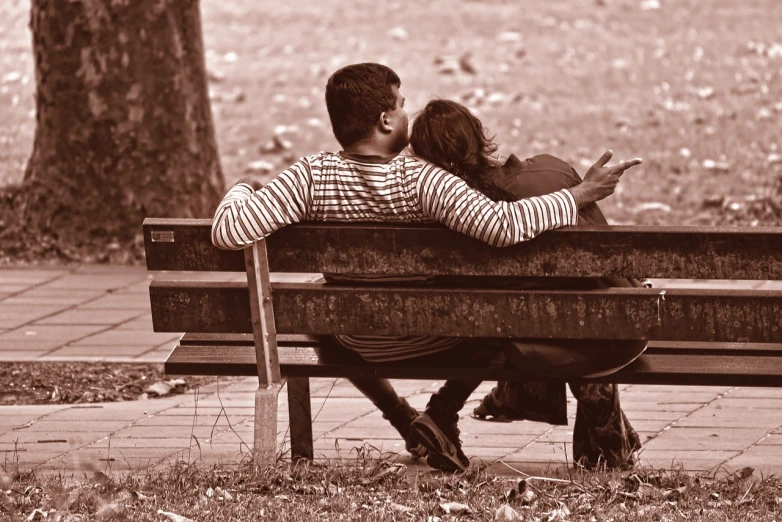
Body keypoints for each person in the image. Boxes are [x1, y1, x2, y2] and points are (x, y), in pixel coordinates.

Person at [210, 63, 643, 472]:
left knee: (323, 308)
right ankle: (448, 413)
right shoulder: (423, 180)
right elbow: (504, 226)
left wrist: (241, 189)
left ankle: (407, 418)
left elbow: (230, 230)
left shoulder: (310, 176)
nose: (405, 114)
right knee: (496, 310)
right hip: (432, 337)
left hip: (355, 337)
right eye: (400, 105)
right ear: (384, 120)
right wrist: (581, 194)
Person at [408, 98, 647, 469]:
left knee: (526, 318)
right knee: (585, 313)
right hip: (608, 332)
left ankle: (458, 405)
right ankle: (606, 451)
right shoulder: (550, 175)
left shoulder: (452, 217)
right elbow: (609, 274)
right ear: (478, 135)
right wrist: (581, 190)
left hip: (524, 339)